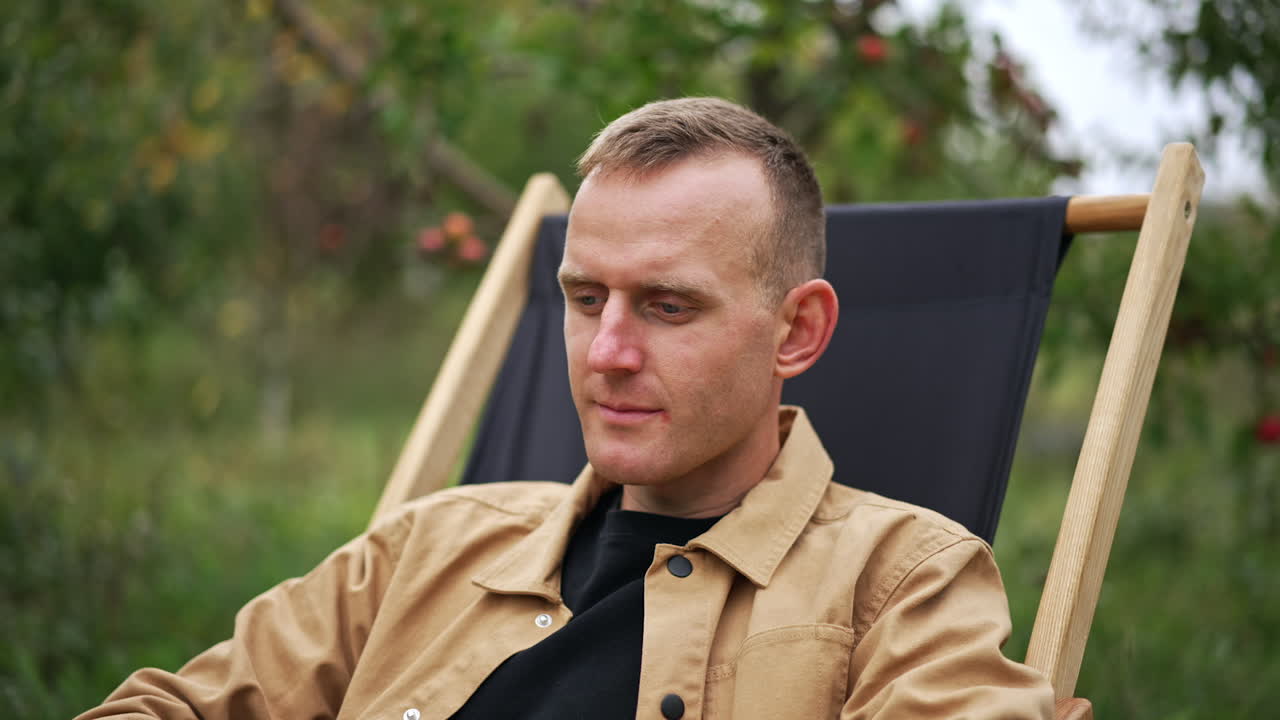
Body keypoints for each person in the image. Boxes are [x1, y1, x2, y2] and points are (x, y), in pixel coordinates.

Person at [78, 97, 1054, 719]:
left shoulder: (900, 586)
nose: (608, 352)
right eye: (584, 298)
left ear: (795, 332)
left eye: (667, 306)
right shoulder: (427, 550)